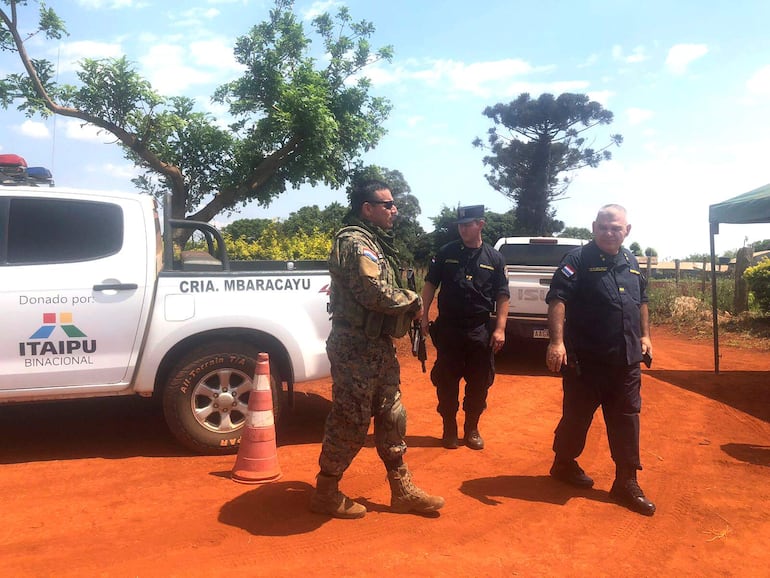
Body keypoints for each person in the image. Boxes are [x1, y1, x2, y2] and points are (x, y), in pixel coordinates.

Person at [310, 179, 445, 519]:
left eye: (393, 204)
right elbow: (373, 291)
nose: (394, 209)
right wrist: (412, 300)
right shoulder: (355, 242)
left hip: (377, 346)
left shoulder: (376, 242)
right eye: (387, 204)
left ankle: (402, 489)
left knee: (392, 413)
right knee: (351, 419)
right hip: (355, 346)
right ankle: (326, 490)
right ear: (367, 208)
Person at [545, 204, 656, 516]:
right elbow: (558, 300)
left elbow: (642, 301)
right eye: (604, 227)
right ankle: (564, 462)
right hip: (586, 361)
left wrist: (645, 336)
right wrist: (556, 342)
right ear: (594, 227)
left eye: (616, 228)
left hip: (626, 361)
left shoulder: (632, 261)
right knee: (576, 418)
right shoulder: (577, 259)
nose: (610, 232)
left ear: (627, 230)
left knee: (626, 418)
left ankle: (626, 481)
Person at [421, 205, 510, 450]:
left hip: (479, 329)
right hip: (449, 328)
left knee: (479, 382)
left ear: (480, 224)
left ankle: (471, 428)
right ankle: (449, 427)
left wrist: (500, 329)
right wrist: (424, 313)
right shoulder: (446, 252)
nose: (462, 229)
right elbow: (430, 284)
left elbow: (503, 296)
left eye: (467, 224)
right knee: (447, 381)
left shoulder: (494, 258)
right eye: (460, 225)